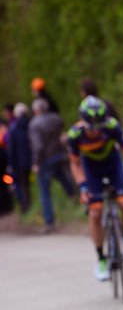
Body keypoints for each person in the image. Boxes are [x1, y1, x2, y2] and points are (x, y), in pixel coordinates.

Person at [66, 97, 123, 281]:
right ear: (83, 123)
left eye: (99, 126)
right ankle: (101, 258)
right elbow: (75, 164)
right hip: (91, 170)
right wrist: (83, 187)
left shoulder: (112, 127)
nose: (96, 130)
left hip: (113, 165)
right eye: (92, 127)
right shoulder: (75, 135)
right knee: (95, 212)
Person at [29, 98, 75, 231]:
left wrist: (36, 163)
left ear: (36, 110)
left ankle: (49, 222)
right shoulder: (56, 119)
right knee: (64, 178)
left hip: (45, 160)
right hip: (59, 155)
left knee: (44, 191)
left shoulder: (35, 124)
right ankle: (75, 199)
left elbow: (38, 146)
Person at [6, 102, 32, 212]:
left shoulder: (14, 128)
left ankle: (25, 207)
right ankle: (30, 206)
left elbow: (11, 149)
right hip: (33, 159)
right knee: (28, 183)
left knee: (21, 184)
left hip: (19, 161)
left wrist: (10, 164)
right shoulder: (31, 124)